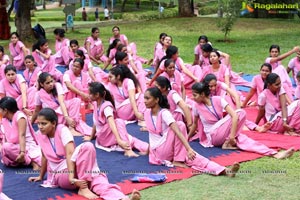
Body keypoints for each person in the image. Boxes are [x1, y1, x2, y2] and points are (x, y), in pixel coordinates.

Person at [28, 108, 141, 200]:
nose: (40, 127)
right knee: (89, 174)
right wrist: (41, 176)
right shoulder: (40, 135)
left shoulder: (63, 131)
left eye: (44, 124)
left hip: (77, 170)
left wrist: (74, 178)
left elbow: (70, 154)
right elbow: (44, 156)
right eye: (39, 124)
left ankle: (122, 198)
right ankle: (83, 187)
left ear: (53, 123)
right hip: (61, 175)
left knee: (97, 179)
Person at [144, 87, 240, 176]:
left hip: (165, 150)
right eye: (144, 98)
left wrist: (189, 150)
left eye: (147, 98)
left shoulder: (161, 113)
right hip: (161, 153)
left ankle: (225, 171)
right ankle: (178, 160)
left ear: (156, 100)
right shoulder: (151, 113)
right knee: (180, 125)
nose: (144, 101)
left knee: (196, 157)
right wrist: (188, 148)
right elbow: (175, 131)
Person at [188, 82, 294, 160]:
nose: (193, 97)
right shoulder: (196, 106)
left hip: (224, 133)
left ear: (202, 94)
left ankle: (274, 154)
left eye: (195, 95)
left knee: (247, 141)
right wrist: (187, 137)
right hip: (213, 136)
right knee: (239, 113)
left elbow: (234, 115)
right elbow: (194, 125)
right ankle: (230, 140)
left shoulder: (218, 100)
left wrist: (232, 136)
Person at [84, 82, 149, 157]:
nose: (88, 95)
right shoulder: (99, 105)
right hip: (104, 138)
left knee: (131, 139)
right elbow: (110, 124)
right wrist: (119, 140)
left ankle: (150, 149)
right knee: (119, 123)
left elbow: (101, 123)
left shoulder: (104, 106)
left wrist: (91, 137)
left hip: (104, 136)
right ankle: (128, 150)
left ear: (97, 95)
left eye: (90, 93)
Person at [0, 97, 41, 170]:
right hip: (14, 146)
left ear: (5, 110)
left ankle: (31, 162)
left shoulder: (20, 117)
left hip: (26, 145)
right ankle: (24, 160)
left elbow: (22, 135)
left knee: (7, 147)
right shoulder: (4, 119)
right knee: (5, 148)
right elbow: (6, 138)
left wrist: (22, 152)